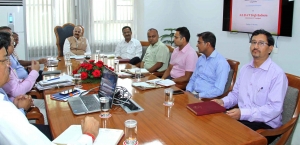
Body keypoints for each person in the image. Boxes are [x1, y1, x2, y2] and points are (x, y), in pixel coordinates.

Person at [0, 32, 100, 145]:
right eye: (5, 60)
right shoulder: (4, 112)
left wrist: (16, 105)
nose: (9, 66)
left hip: (20, 107)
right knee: (62, 122)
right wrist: (89, 135)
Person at [213, 29, 288, 144]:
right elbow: (235, 94)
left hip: (265, 124)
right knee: (214, 127)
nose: (256, 46)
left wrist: (243, 113)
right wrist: (222, 102)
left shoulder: (277, 74)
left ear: (270, 48)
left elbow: (274, 109)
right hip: (243, 118)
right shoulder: (245, 69)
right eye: (253, 42)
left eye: (261, 43)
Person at [186, 32, 230, 98]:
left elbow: (218, 90)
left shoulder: (221, 63)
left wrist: (198, 96)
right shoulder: (201, 59)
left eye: (199, 42)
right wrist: (188, 91)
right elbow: (193, 78)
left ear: (208, 44)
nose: (196, 45)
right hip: (193, 94)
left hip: (206, 98)